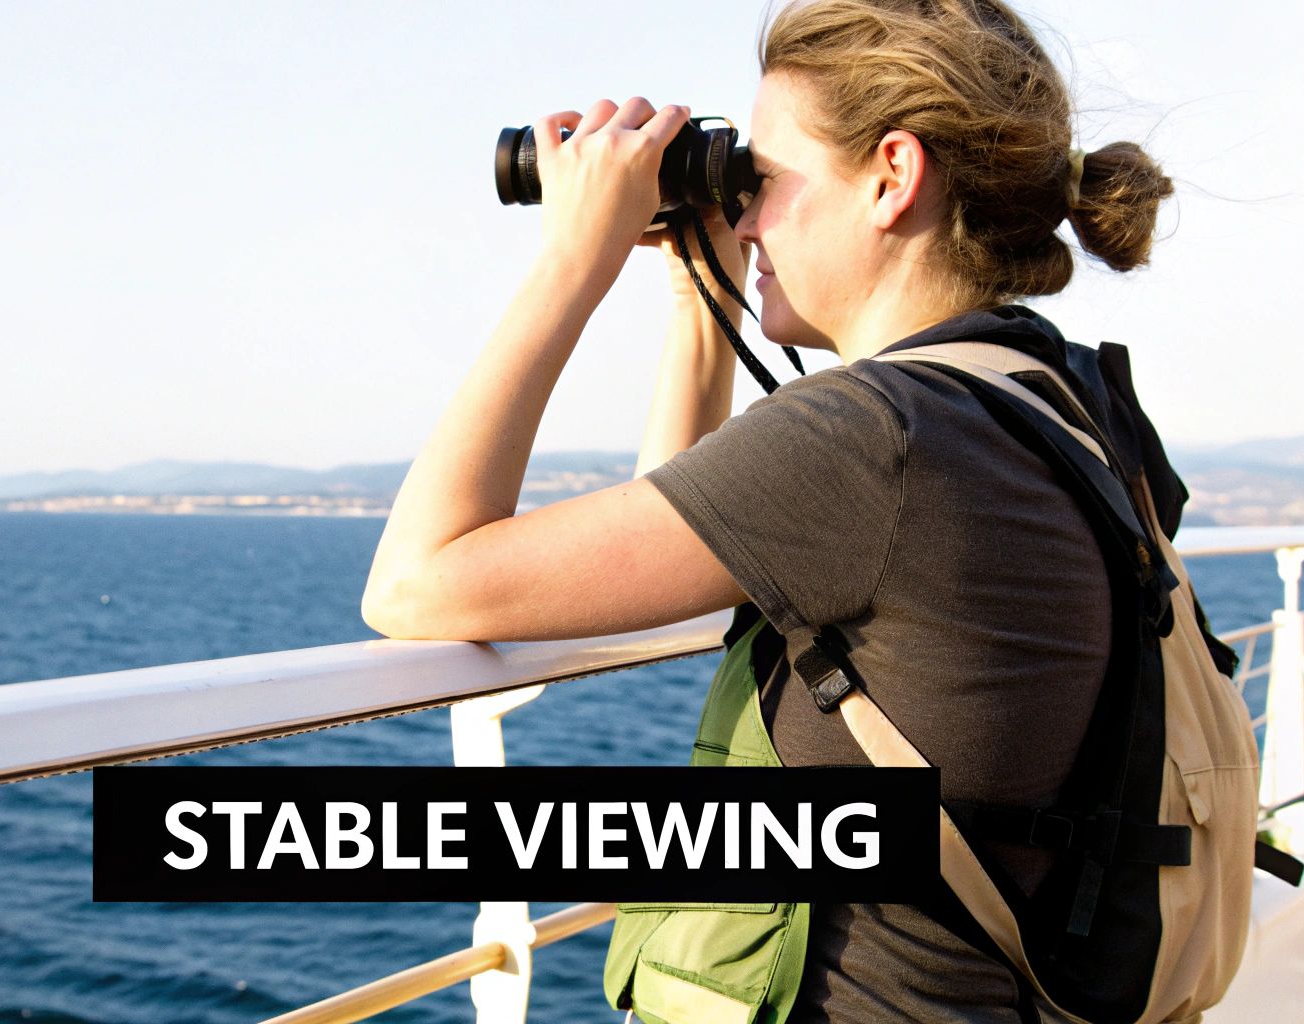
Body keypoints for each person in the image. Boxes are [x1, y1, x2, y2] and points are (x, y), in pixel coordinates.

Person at [362, 0, 1176, 1019]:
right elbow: (671, 539)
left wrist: (575, 256)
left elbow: (413, 583)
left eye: (765, 181)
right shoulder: (1041, 396)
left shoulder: (876, 436)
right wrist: (694, 291)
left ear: (891, 176)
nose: (745, 216)